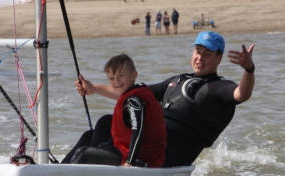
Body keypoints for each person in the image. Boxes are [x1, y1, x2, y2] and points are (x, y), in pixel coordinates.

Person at [62, 31, 255, 168]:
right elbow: (130, 95)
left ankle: (90, 170)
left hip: (169, 153)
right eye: (197, 51)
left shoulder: (219, 87)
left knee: (100, 140)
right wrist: (92, 88)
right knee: (101, 126)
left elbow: (241, 94)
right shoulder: (178, 81)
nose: (200, 58)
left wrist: (248, 69)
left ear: (219, 58)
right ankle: (65, 172)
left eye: (207, 54)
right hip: (150, 141)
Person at [69, 54, 167, 168]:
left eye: (121, 75)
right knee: (101, 143)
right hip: (135, 155)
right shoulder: (134, 94)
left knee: (83, 153)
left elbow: (139, 131)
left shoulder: (133, 100)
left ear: (134, 75)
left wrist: (130, 162)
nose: (116, 81)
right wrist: (92, 88)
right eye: (111, 78)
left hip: (141, 159)